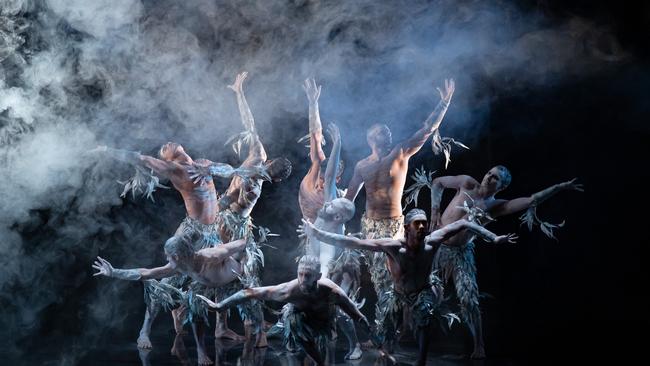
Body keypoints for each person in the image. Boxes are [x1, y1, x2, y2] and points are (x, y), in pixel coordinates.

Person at [298, 208, 516, 366]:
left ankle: (420, 360)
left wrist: (493, 237)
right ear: (406, 228)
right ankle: (386, 354)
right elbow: (353, 243)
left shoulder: (433, 241)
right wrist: (318, 234)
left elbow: (464, 224)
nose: (422, 226)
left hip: (422, 291)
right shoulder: (393, 247)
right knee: (385, 329)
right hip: (397, 292)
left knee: (424, 316)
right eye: (417, 223)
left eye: (424, 222)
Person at [91, 142, 254, 348]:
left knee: (220, 277)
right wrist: (108, 150)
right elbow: (139, 158)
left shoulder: (202, 163)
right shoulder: (174, 170)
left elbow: (230, 170)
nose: (166, 144)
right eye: (162, 149)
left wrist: (210, 169)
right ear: (167, 159)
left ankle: (220, 328)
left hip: (211, 232)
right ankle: (144, 331)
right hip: (191, 234)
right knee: (165, 281)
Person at [427, 167, 583, 358]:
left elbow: (531, 200)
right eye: (489, 174)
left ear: (502, 186)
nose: (489, 178)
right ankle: (403, 332)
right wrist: (435, 209)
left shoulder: (496, 206)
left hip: (460, 253)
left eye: (495, 179)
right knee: (420, 290)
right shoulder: (466, 183)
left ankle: (479, 346)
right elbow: (438, 182)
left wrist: (558, 187)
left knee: (469, 299)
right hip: (436, 245)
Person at [344, 79, 456, 343]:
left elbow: (427, 130)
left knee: (394, 277)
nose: (390, 134)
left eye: (389, 132)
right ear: (372, 138)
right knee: (379, 279)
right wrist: (332, 210)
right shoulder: (362, 166)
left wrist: (444, 102)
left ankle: (389, 332)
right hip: (370, 225)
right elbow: (349, 199)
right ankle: (387, 330)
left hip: (394, 224)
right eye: (384, 132)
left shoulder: (400, 152)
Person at [92, 235, 251, 365]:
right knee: (191, 302)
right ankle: (199, 350)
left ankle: (209, 340)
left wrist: (247, 262)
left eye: (168, 256)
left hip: (234, 275)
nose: (166, 259)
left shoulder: (211, 256)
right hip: (206, 283)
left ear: (177, 256)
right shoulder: (177, 267)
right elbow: (147, 273)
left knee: (201, 298)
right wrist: (114, 272)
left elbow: (242, 243)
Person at [196, 255, 370, 366]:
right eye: (300, 274)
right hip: (300, 315)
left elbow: (354, 311)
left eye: (308, 275)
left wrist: (367, 327)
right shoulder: (287, 290)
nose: (302, 279)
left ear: (318, 276)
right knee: (292, 323)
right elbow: (248, 293)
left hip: (325, 315)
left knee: (342, 313)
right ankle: (318, 361)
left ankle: (354, 346)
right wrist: (220, 306)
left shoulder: (330, 290)